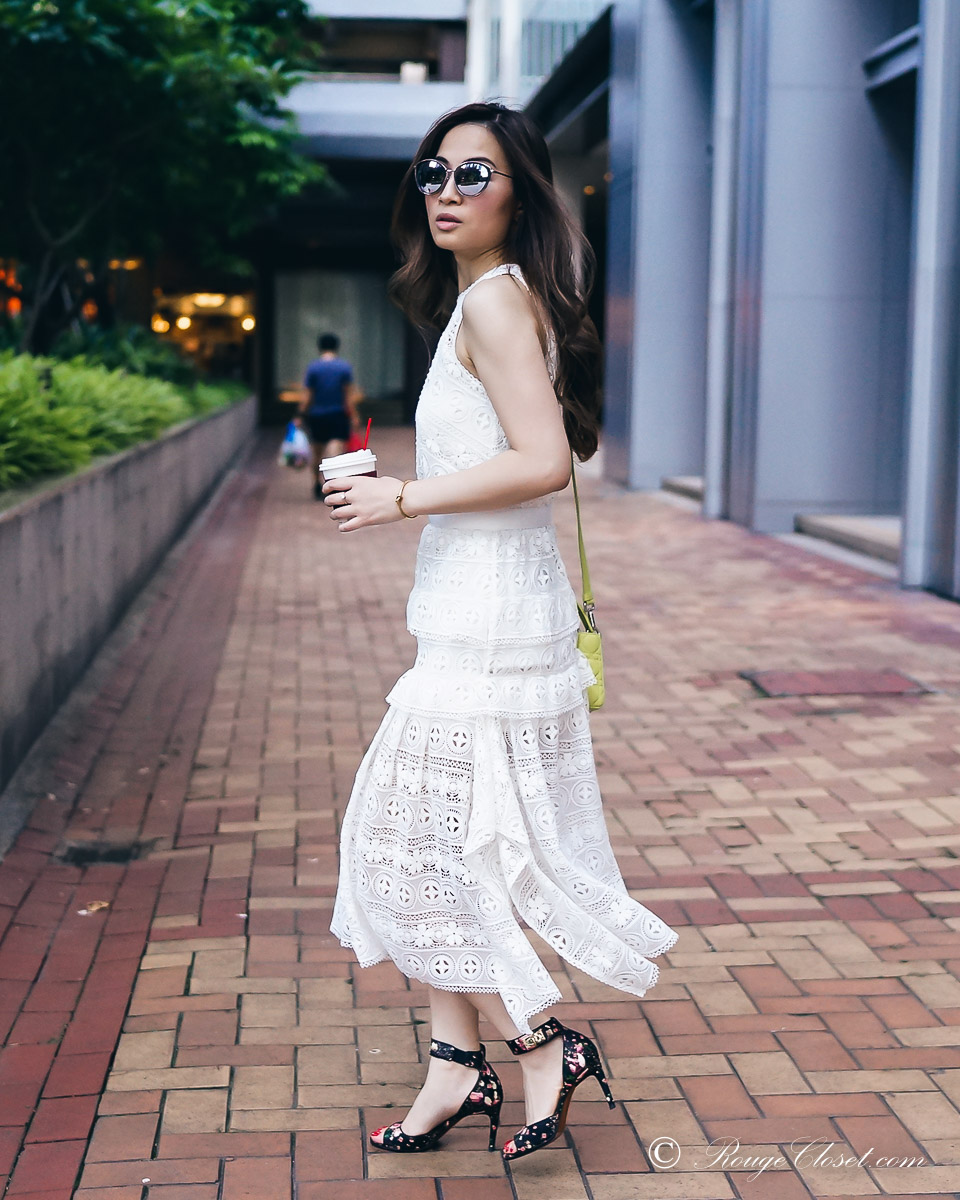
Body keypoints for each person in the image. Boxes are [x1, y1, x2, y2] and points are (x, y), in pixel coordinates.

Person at [323, 102, 677, 1163]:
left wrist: (402, 498)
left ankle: (538, 1047)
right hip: (478, 613)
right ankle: (455, 1067)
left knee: (408, 843)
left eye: (472, 175)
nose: (444, 191)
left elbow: (544, 462)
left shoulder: (493, 303)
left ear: (520, 193)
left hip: (490, 628)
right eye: (432, 172)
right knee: (440, 845)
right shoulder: (487, 299)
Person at [301, 332, 362, 498]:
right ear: (337, 347)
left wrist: (300, 414)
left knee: (316, 451)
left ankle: (316, 483)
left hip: (317, 415)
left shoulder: (313, 367)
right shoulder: (344, 367)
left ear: (319, 347)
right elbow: (348, 396)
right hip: (337, 414)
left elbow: (308, 395)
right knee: (335, 449)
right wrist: (354, 416)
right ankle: (332, 484)